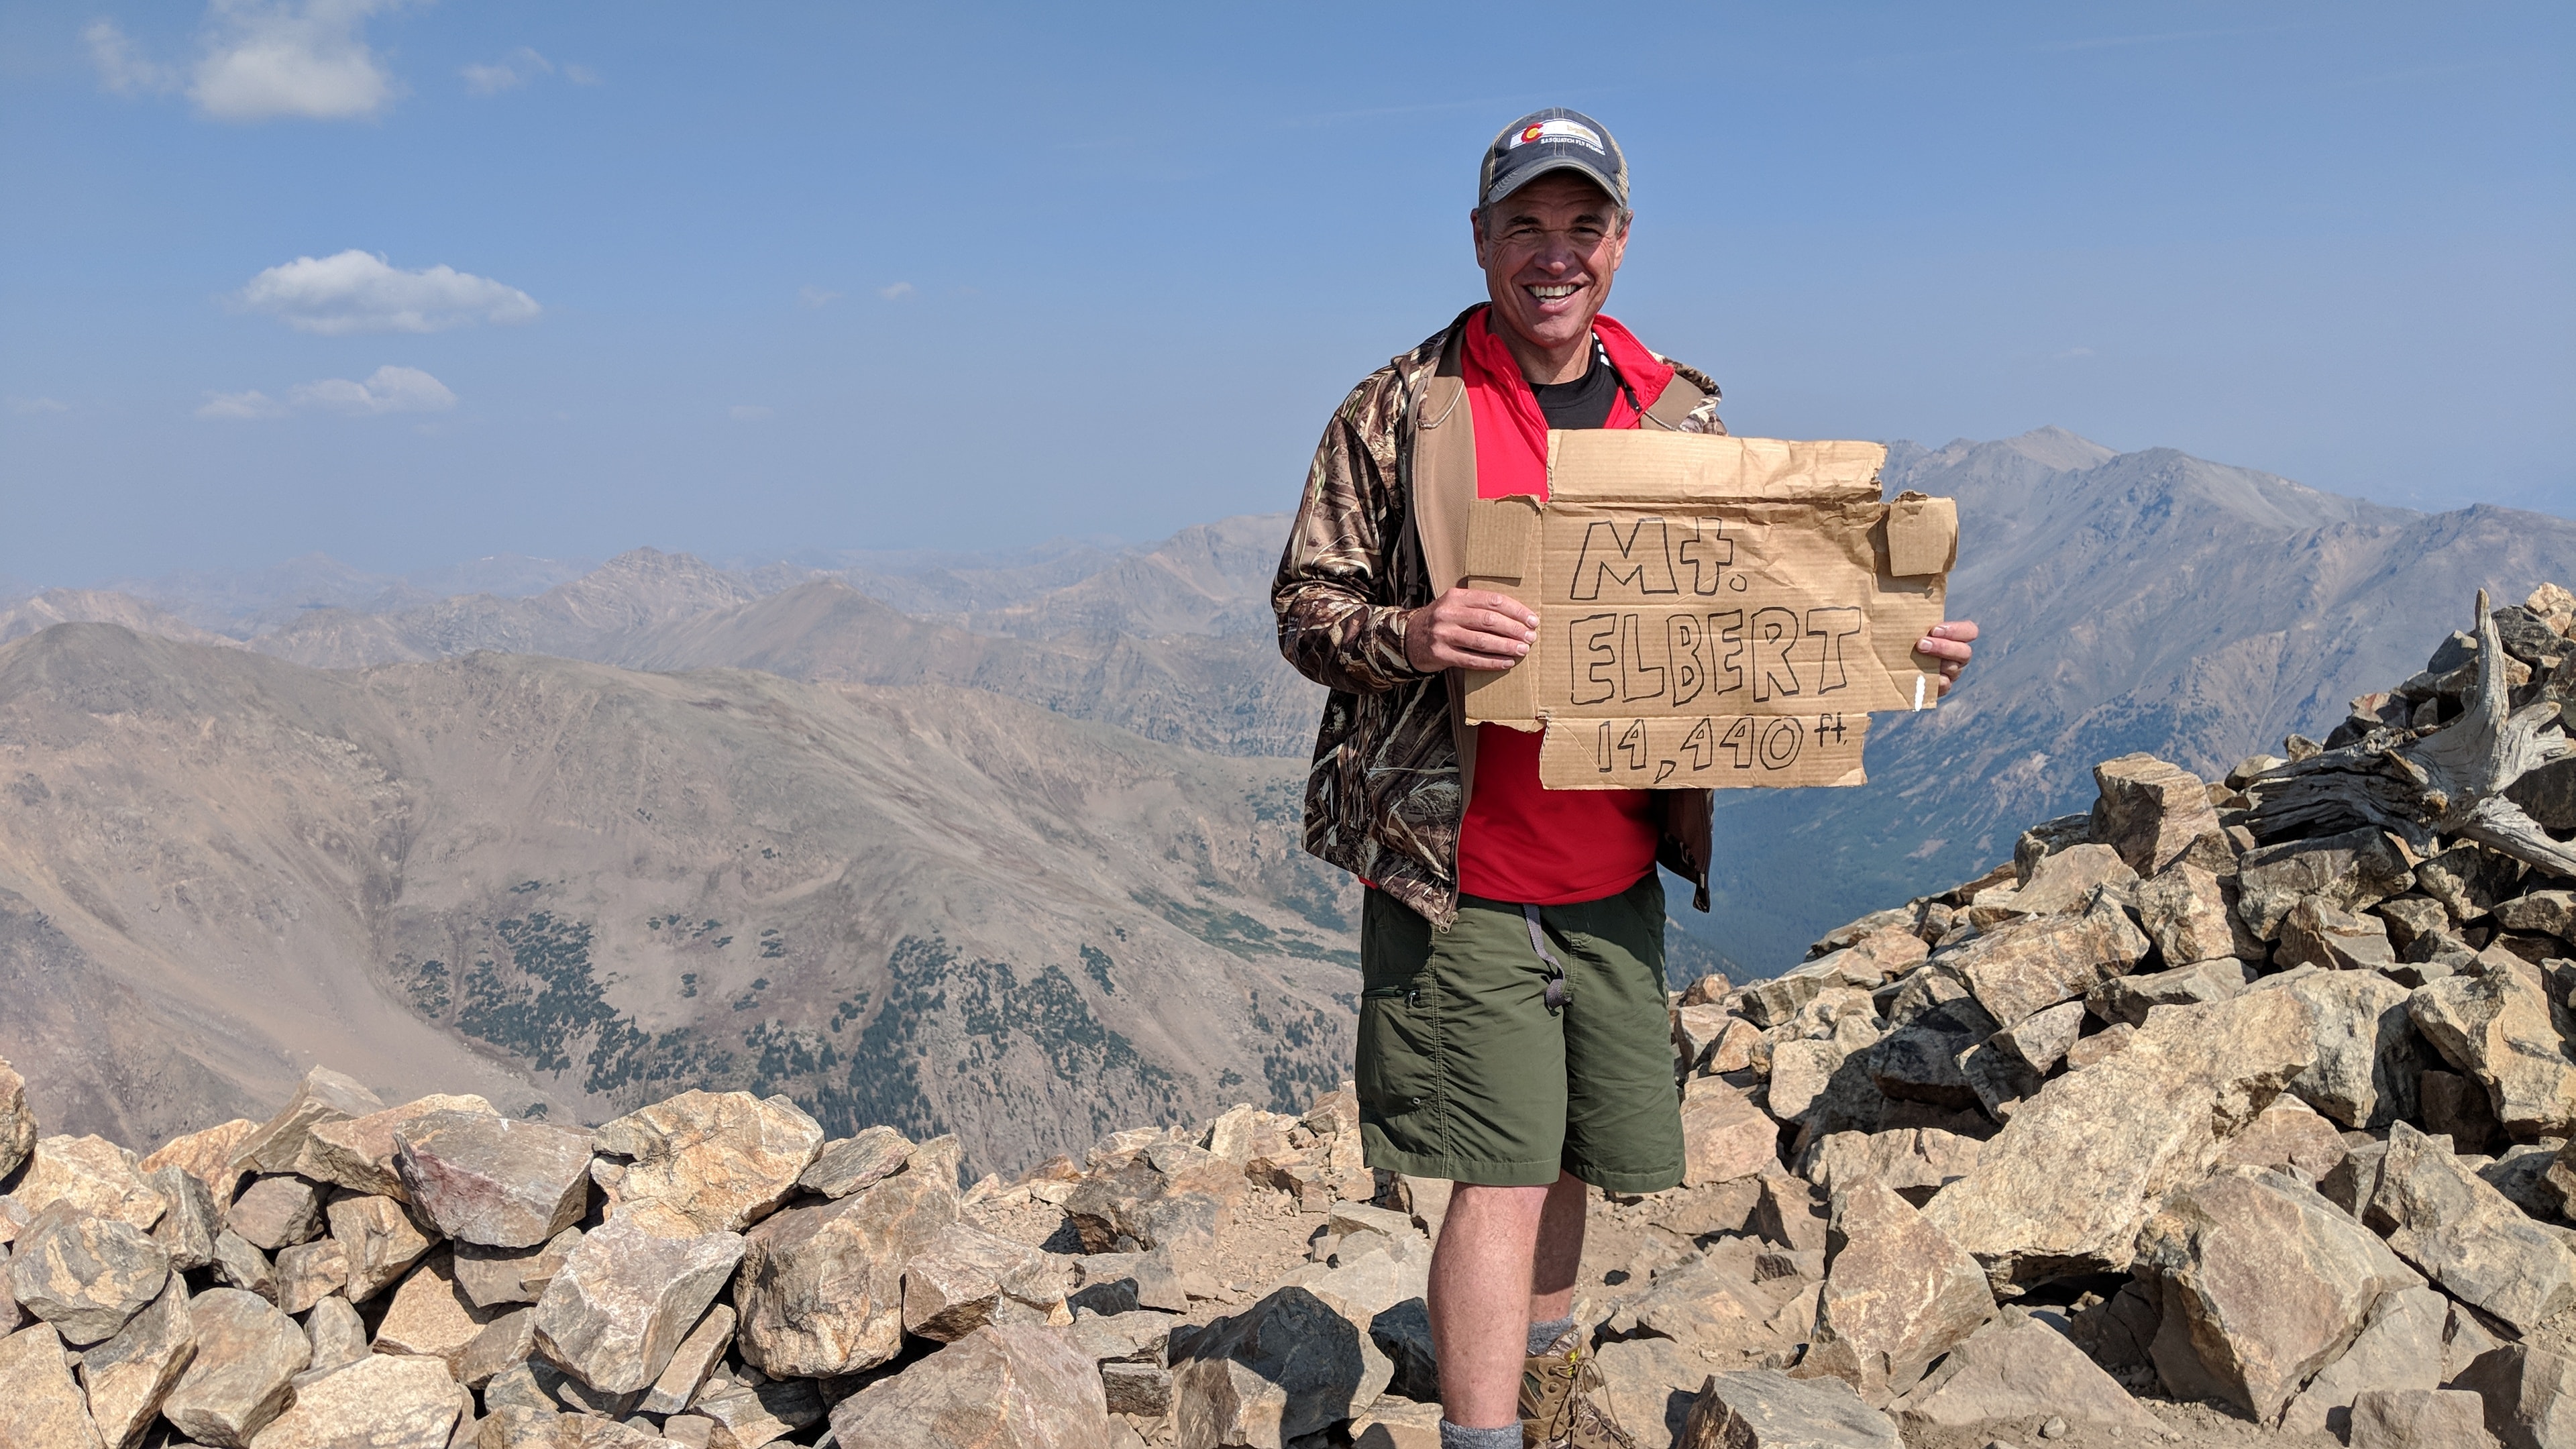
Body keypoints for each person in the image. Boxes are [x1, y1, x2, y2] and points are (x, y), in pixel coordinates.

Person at [1271, 109, 1978, 1448]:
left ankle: (1546, 1394)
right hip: (1458, 865)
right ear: (1481, 239)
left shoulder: (1678, 412)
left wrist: (1892, 644)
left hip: (1614, 868)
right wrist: (1412, 633)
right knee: (1500, 1170)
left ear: (1622, 242)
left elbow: (1753, 607)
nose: (1556, 254)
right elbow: (1305, 607)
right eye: (1526, 225)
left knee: (1573, 1152)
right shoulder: (1399, 410)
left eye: (1582, 226)